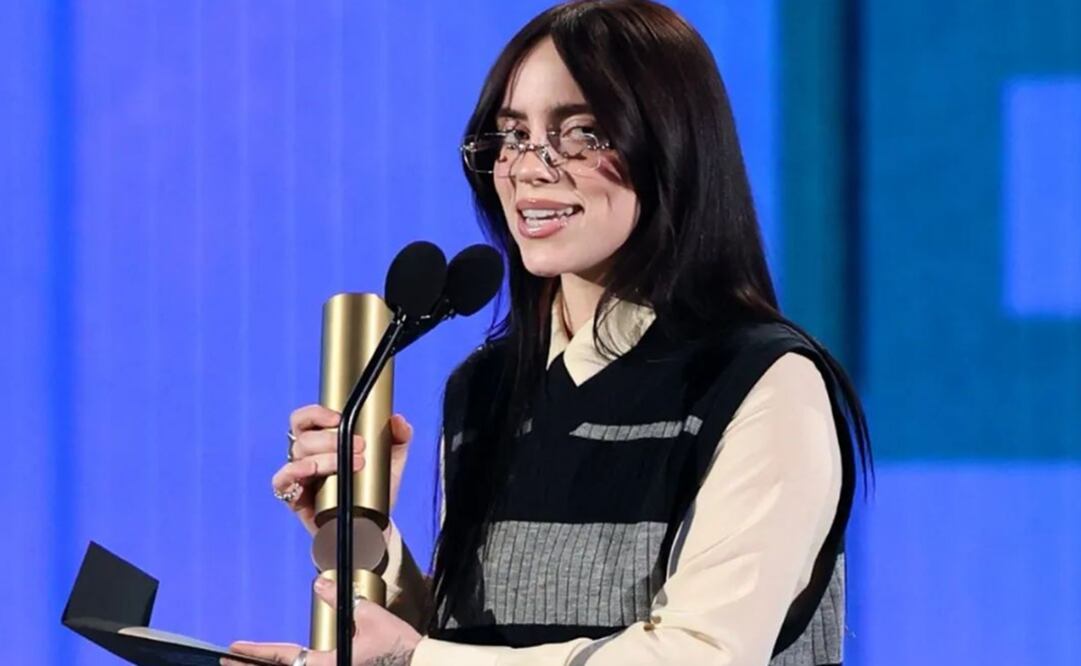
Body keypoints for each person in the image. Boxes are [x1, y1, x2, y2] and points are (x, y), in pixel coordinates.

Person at [228, 1, 871, 664]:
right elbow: (478, 643)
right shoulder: (485, 389)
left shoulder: (763, 381)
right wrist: (366, 539)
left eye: (583, 133)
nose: (529, 167)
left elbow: (700, 654)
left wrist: (417, 660)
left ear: (673, 146)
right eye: (510, 136)